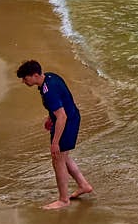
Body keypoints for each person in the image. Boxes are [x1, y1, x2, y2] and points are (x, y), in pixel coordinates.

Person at [16, 59, 93, 209]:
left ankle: (64, 200)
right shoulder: (51, 77)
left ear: (35, 75)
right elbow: (63, 101)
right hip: (70, 117)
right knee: (63, 157)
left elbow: (62, 116)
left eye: (25, 78)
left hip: (67, 122)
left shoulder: (48, 91)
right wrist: (50, 117)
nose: (23, 82)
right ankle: (84, 185)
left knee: (57, 158)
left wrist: (55, 142)